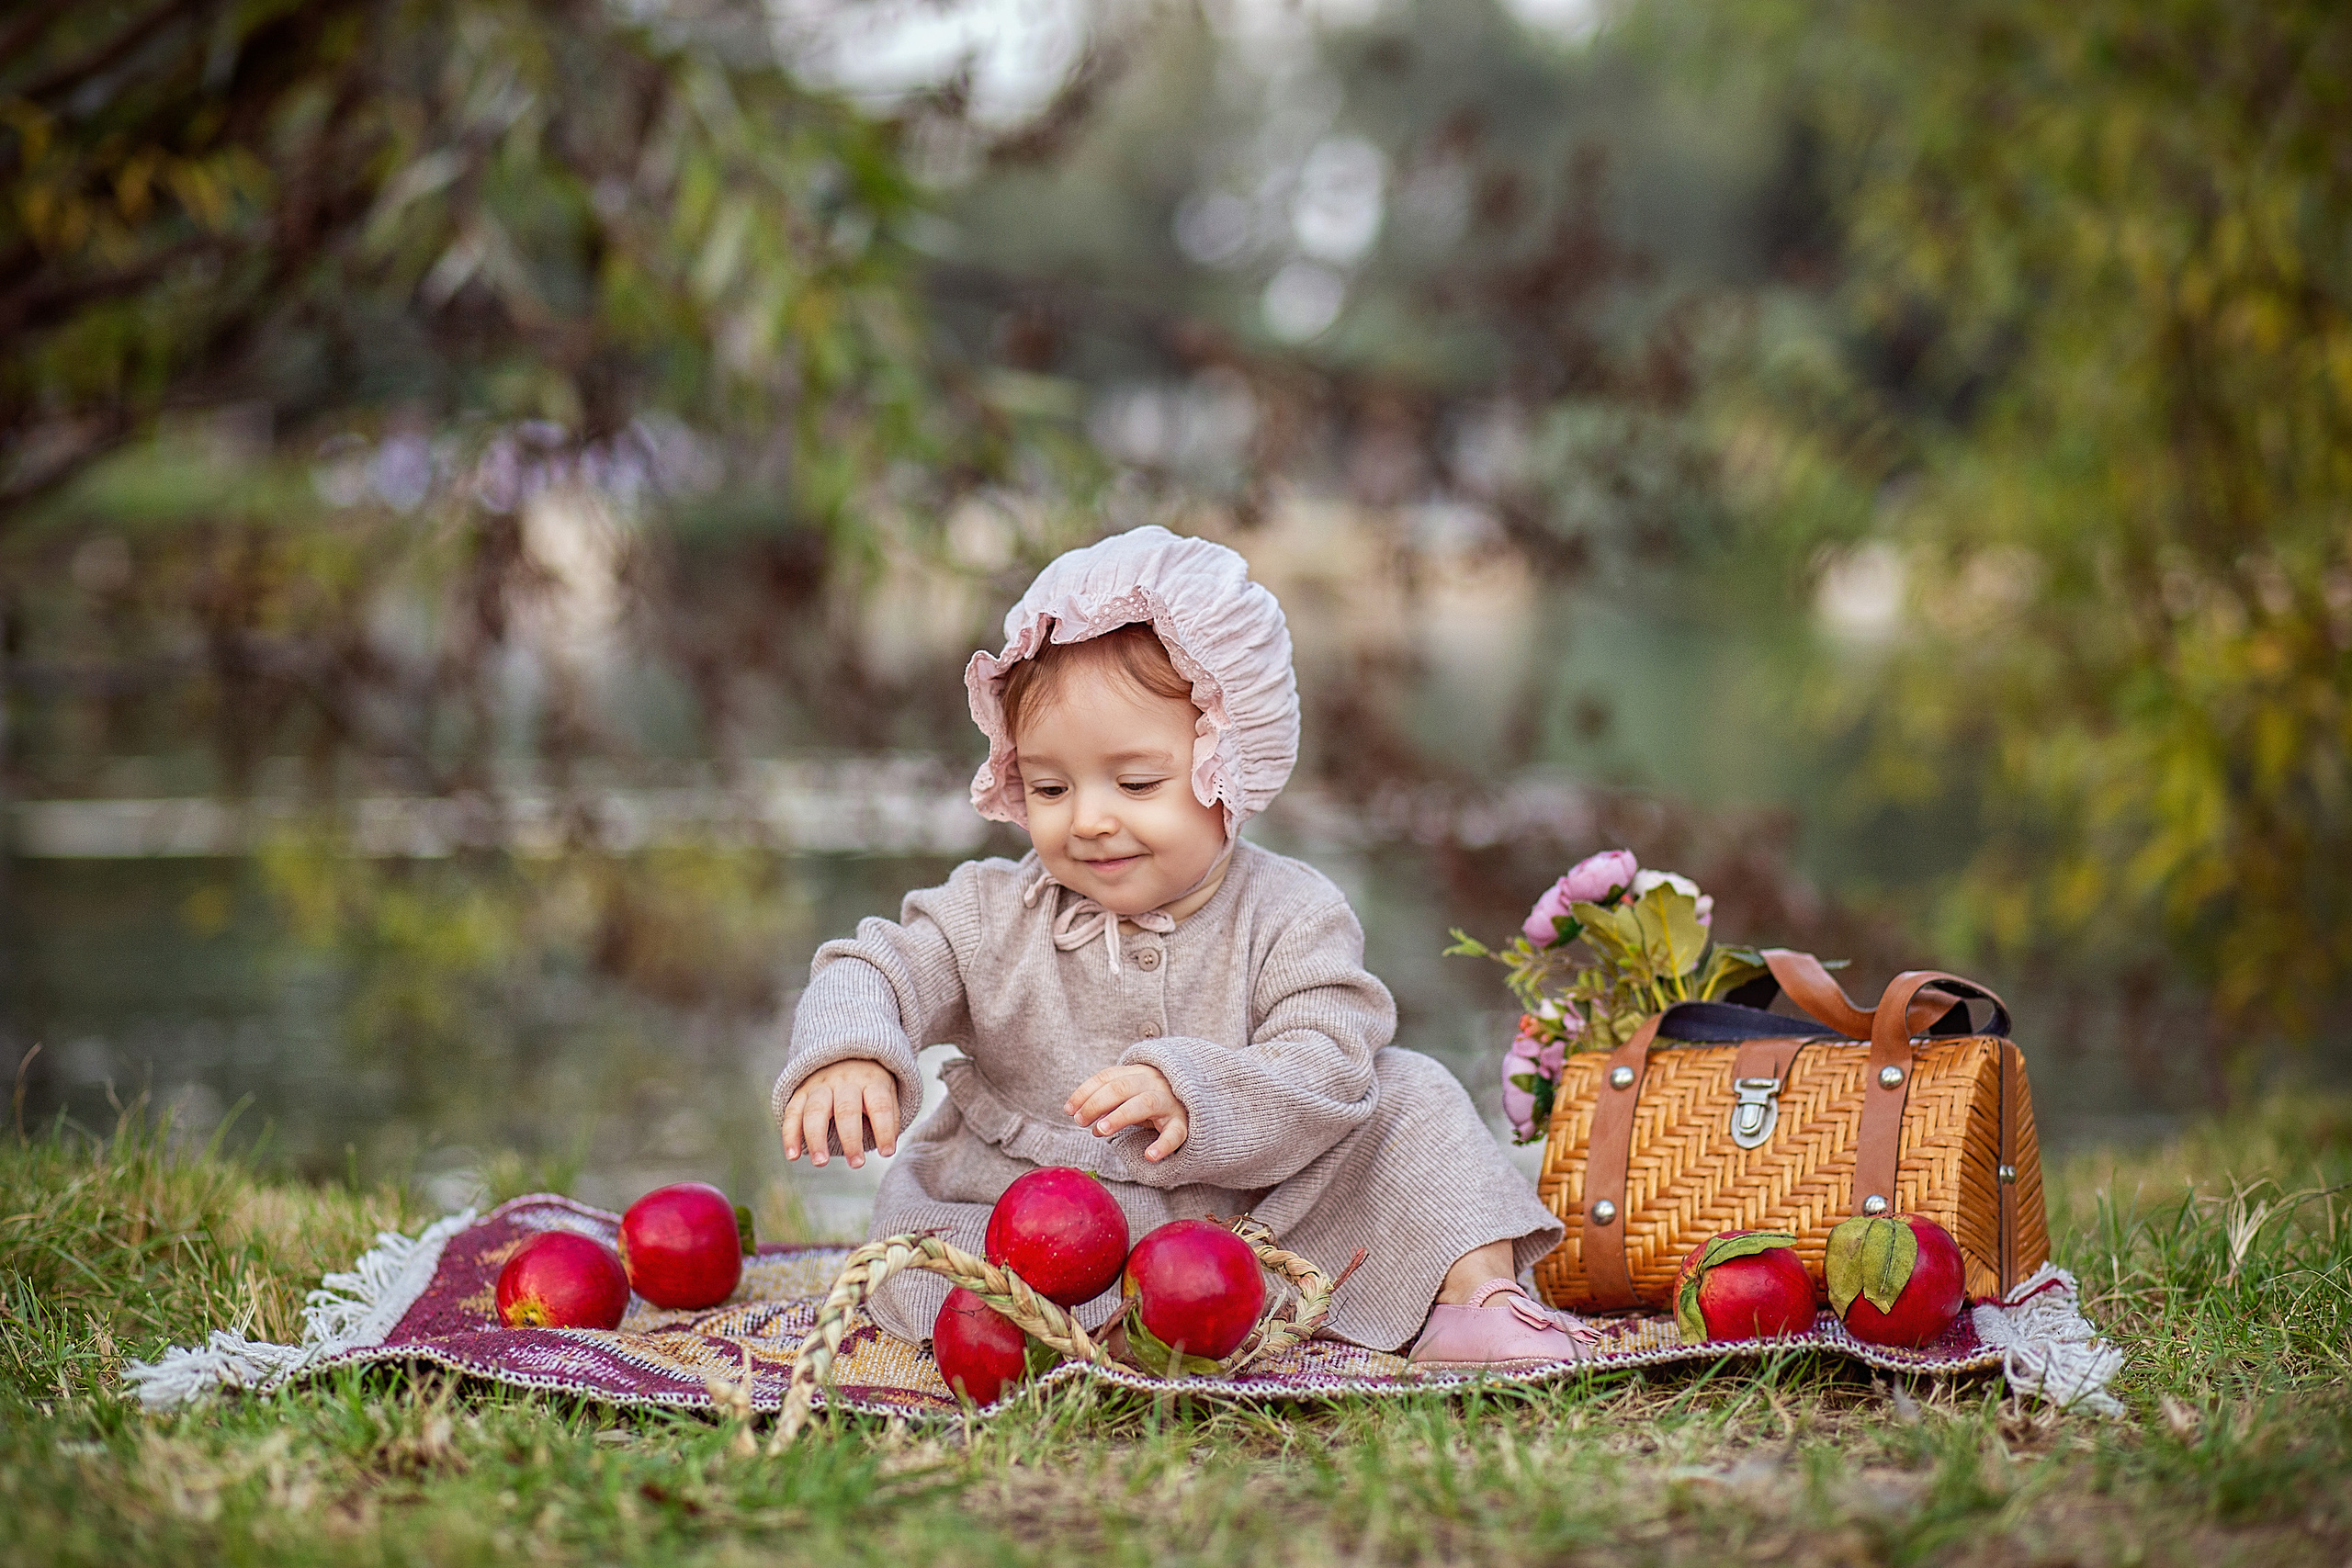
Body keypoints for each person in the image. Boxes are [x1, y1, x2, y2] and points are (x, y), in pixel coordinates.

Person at [772, 526, 1589, 1365]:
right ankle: (1065, 1327)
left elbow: (1329, 1061)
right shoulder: (991, 909)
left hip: (1247, 1230)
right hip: (1022, 1221)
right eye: (1051, 786)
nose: (1088, 817)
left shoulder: (1291, 911)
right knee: (948, 1260)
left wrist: (1196, 1088)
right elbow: (878, 963)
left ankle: (1471, 1293)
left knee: (1413, 1090)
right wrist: (853, 1049)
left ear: (1228, 767)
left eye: (1135, 783)